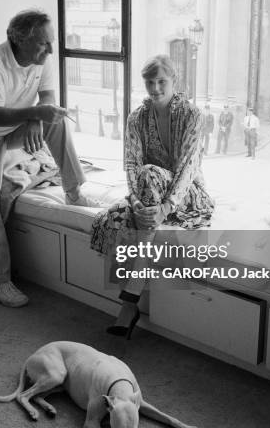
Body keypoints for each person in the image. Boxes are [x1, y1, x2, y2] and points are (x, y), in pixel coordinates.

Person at [0, 9, 91, 308]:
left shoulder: (43, 58)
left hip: (11, 127)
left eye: (51, 42)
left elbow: (48, 99)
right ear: (18, 40)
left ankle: (73, 190)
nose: (51, 49)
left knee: (57, 120)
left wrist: (37, 119)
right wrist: (35, 113)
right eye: (43, 43)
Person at [90, 55, 215, 338]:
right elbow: (131, 162)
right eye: (150, 82)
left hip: (187, 196)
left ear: (174, 81)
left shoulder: (192, 115)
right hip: (148, 196)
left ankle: (129, 302)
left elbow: (187, 166)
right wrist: (135, 202)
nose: (155, 88)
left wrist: (165, 207)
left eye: (162, 81)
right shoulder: (137, 117)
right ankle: (129, 300)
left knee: (149, 173)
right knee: (111, 218)